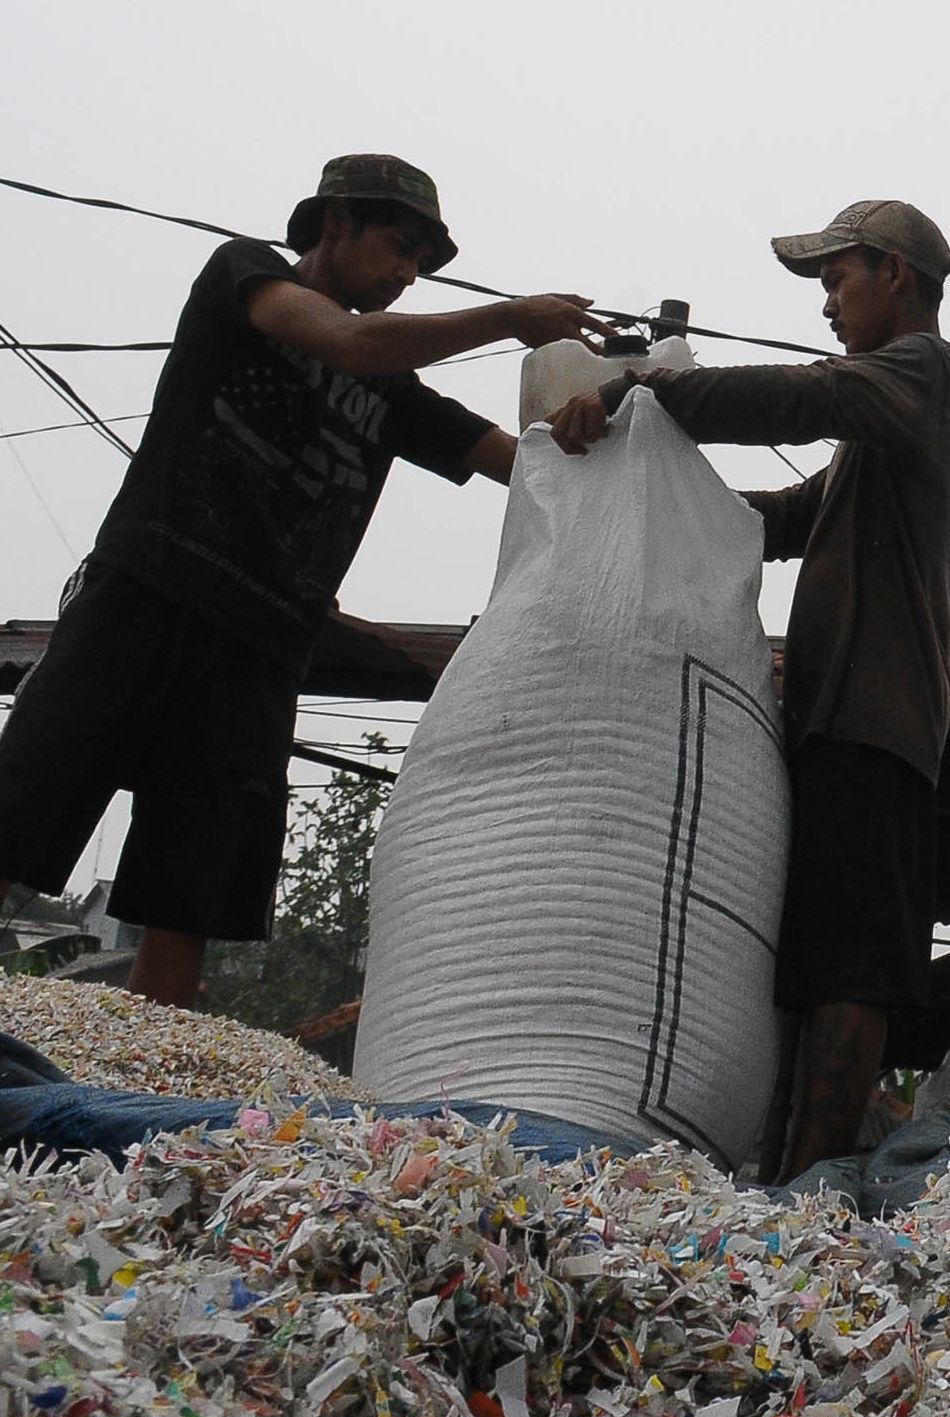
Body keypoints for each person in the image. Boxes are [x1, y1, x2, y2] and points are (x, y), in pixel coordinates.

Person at [0, 153, 607, 1009]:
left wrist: (616, 418)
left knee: (188, 905)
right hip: (146, 595)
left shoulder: (397, 394)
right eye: (397, 249)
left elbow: (527, 467)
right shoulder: (245, 276)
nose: (406, 275)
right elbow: (346, 341)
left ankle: (131, 1114)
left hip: (261, 651)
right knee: (15, 823)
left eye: (420, 265)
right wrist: (513, 317)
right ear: (334, 224)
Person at [548, 200, 950, 1178]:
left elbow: (799, 397)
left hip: (875, 728)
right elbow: (774, 517)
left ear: (893, 273)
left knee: (846, 974)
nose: (824, 301)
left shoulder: (921, 377)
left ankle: (807, 1200)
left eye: (834, 277)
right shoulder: (874, 438)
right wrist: (648, 479)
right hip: (834, 727)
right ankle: (784, 1175)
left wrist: (641, 388)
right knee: (813, 970)